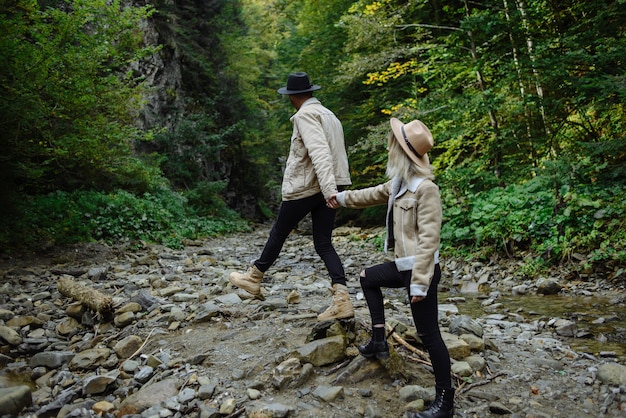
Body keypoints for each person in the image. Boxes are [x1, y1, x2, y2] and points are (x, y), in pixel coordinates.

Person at [327, 118, 454, 418]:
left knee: (429, 334)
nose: (388, 147)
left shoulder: (426, 189)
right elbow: (370, 194)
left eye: (392, 144)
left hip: (420, 271)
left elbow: (429, 240)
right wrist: (340, 198)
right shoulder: (399, 184)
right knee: (367, 278)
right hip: (402, 266)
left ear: (403, 152)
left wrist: (420, 284)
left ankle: (445, 402)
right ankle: (379, 339)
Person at [229, 72, 354, 321]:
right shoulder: (330, 115)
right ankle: (342, 298)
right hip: (331, 183)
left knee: (279, 232)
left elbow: (319, 152)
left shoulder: (305, 115)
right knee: (323, 243)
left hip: (309, 186)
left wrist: (328, 190)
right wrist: (333, 189)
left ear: (293, 97)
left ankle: (254, 278)